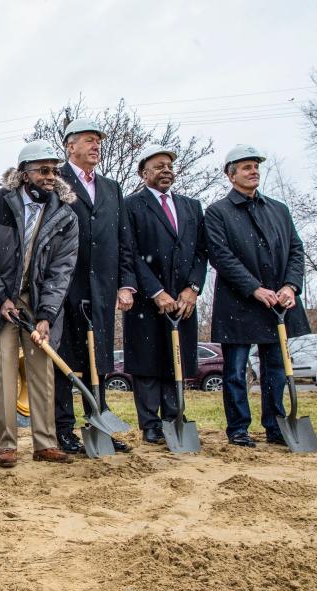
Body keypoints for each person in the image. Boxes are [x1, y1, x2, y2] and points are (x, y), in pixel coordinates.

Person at [0, 140, 79, 468]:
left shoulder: (64, 216)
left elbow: (62, 270)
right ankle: (7, 444)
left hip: (38, 298)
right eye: (43, 170)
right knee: (2, 369)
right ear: (24, 173)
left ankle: (45, 442)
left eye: (54, 170)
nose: (51, 176)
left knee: (41, 368)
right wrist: (0, 298)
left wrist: (47, 315)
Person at [205, 144, 310, 447]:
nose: (253, 172)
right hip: (239, 303)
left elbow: (296, 250)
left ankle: (276, 425)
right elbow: (221, 257)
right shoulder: (218, 212)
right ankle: (238, 427)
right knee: (236, 370)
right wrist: (253, 287)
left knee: (276, 368)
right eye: (246, 167)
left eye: (256, 167)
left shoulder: (277, 209)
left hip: (277, 302)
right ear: (231, 174)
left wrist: (291, 285)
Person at [54, 118, 136, 454]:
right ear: (70, 146)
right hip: (65, 285)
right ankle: (63, 430)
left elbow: (123, 239)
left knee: (98, 360)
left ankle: (98, 422)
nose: (95, 145)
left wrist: (126, 284)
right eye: (88, 140)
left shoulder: (112, 188)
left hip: (102, 288)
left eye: (98, 141)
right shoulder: (55, 181)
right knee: (64, 360)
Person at [123, 145, 208, 443]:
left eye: (169, 166)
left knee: (177, 359)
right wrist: (156, 291)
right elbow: (130, 253)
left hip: (183, 300)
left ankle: (174, 417)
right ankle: (150, 425)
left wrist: (192, 289)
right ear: (144, 173)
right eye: (159, 166)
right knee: (147, 362)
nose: (166, 171)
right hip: (148, 301)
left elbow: (201, 251)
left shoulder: (191, 207)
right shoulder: (131, 206)